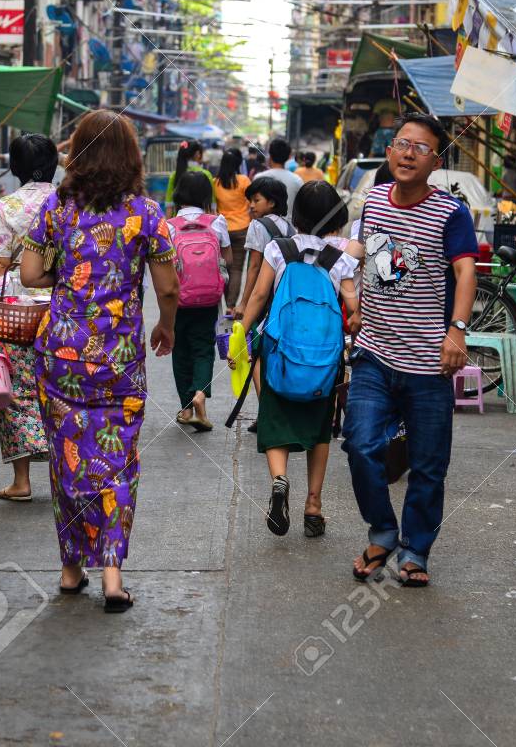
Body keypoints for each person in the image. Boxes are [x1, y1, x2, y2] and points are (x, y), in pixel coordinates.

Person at [20, 109, 179, 613]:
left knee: (67, 458)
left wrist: (70, 283)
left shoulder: (56, 209)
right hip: (119, 359)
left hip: (60, 356)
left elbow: (27, 274)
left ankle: (71, 571)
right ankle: (112, 577)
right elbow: (169, 286)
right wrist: (165, 325)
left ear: (79, 153)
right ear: (132, 156)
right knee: (116, 460)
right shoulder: (147, 214)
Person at [343, 113, 478, 589]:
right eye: (402, 144)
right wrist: (354, 299)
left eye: (419, 148)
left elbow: (465, 273)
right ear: (390, 150)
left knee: (427, 463)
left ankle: (415, 549)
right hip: (374, 354)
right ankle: (383, 530)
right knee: (360, 443)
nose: (407, 154)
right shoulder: (374, 201)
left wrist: (456, 331)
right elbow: (367, 258)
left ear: (434, 161)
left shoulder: (451, 213)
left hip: (428, 363)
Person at [236, 182, 362, 538]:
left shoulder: (279, 249)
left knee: (275, 418)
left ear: (298, 215)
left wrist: (241, 336)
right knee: (319, 430)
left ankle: (279, 480)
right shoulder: (342, 259)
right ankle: (313, 506)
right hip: (323, 362)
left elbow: (260, 295)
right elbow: (353, 309)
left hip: (279, 355)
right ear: (336, 216)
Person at [0, 133, 59, 503]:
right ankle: (66, 474)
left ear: (15, 167)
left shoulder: (8, 206)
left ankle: (22, 480)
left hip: (16, 309)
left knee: (17, 391)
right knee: (62, 388)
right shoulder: (69, 204)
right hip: (63, 306)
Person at [167, 171, 231, 433]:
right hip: (208, 298)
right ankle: (200, 394)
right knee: (204, 348)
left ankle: (185, 408)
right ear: (207, 195)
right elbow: (227, 259)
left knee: (180, 348)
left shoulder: (169, 226)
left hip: (178, 299)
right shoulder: (217, 222)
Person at [232, 176, 294, 319]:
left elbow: (254, 266)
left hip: (262, 295)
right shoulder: (288, 226)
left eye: (256, 200)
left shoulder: (257, 225)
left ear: (271, 202)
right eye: (250, 201)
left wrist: (243, 303)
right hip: (283, 293)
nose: (251, 205)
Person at [213, 147, 252, 307]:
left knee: (223, 267)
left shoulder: (215, 183)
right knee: (236, 269)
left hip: (222, 230)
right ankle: (230, 306)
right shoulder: (244, 181)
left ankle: (226, 301)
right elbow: (251, 204)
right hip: (242, 228)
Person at [254, 138, 304, 219]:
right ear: (289, 157)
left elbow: (254, 207)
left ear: (270, 155)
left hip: (262, 227)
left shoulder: (259, 178)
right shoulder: (297, 180)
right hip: (288, 229)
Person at [164, 139, 214, 215]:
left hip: (178, 223)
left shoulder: (175, 175)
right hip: (202, 222)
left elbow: (169, 205)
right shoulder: (206, 174)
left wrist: (168, 225)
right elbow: (211, 204)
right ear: (198, 154)